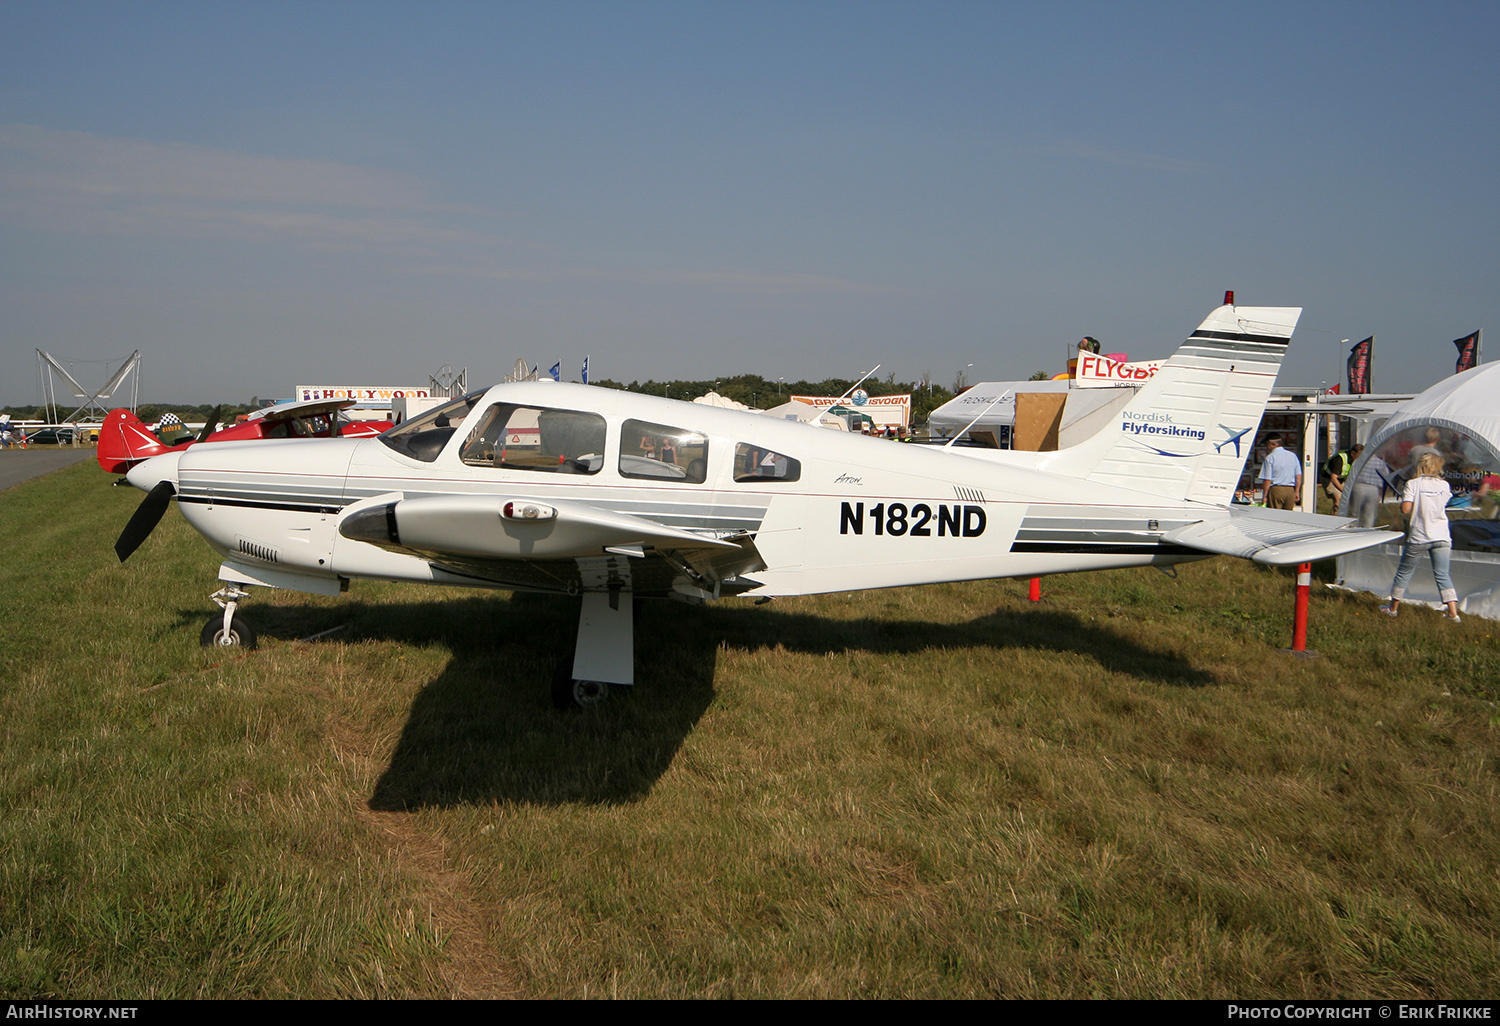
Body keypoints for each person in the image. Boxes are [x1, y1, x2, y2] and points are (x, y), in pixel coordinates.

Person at [1381, 452, 1461, 622]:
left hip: (1420, 536)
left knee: (1404, 572)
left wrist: (1405, 498)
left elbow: (1405, 509)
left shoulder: (1413, 484)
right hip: (1442, 536)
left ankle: (1393, 609)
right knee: (1442, 574)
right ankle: (1453, 612)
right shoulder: (1444, 485)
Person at [1258, 434, 1302, 510]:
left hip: (1276, 490)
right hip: (1290, 490)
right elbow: (1298, 476)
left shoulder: (1270, 457)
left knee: (1275, 515)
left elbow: (1267, 479)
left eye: (1267, 444)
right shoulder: (1292, 456)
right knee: (1287, 516)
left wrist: (1265, 495)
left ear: (1273, 444)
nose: (1267, 447)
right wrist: (1297, 491)